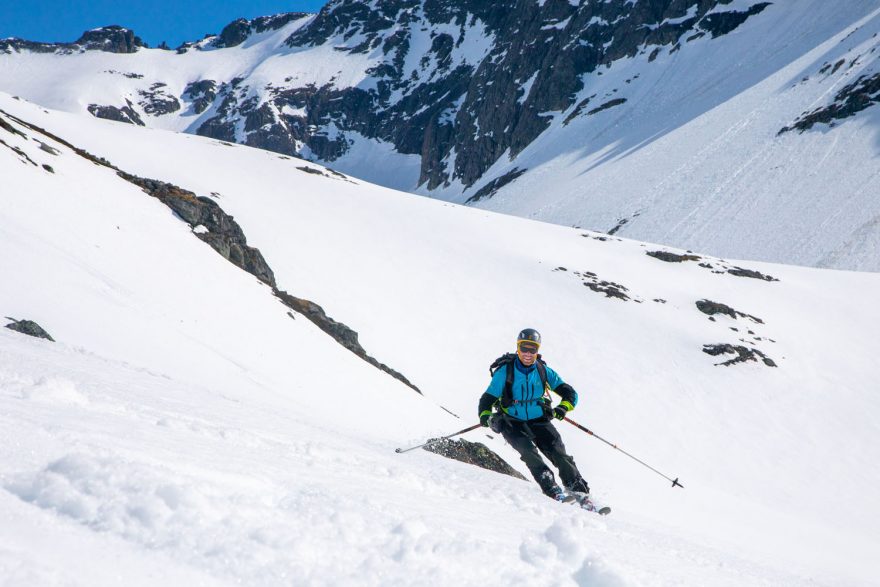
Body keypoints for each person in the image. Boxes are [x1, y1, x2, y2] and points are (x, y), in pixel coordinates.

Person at [478, 328, 590, 500]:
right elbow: (487, 400)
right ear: (518, 347)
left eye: (533, 349)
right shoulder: (505, 372)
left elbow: (570, 394)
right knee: (529, 453)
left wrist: (563, 408)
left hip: (539, 419)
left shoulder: (543, 371)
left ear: (538, 350)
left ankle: (578, 489)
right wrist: (487, 417)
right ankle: (552, 489)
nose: (528, 353)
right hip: (511, 421)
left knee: (559, 453)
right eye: (524, 348)